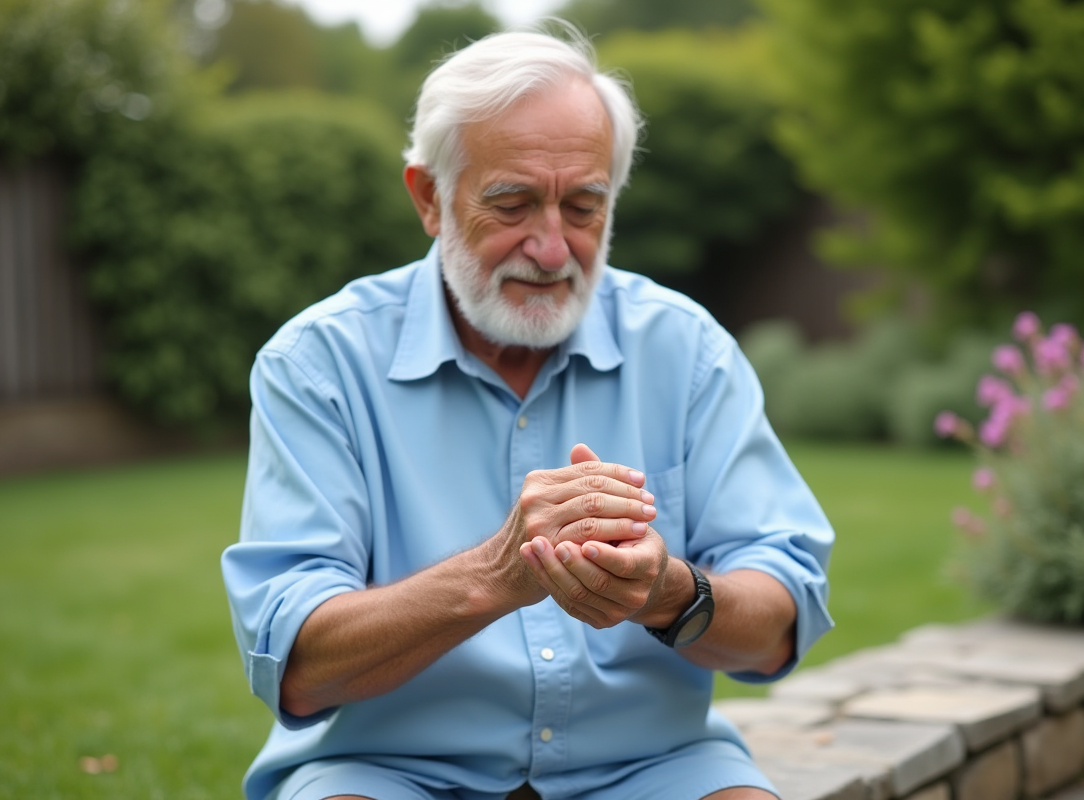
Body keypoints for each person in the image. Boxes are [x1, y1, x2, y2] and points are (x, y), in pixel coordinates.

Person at [221, 23, 834, 800]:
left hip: (651, 768)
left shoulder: (686, 349)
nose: (551, 248)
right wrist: (495, 574)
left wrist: (669, 594)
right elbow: (299, 667)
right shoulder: (319, 365)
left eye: (584, 207)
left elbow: (786, 616)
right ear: (429, 199)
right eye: (511, 203)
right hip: (391, 773)